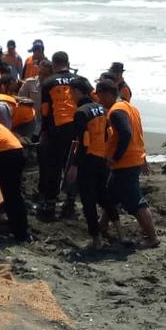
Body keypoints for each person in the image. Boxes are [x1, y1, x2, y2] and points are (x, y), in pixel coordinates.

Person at [95, 79, 159, 248]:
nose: (99, 101)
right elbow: (138, 134)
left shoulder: (116, 112)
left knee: (136, 202)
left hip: (125, 163)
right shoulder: (131, 108)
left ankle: (152, 238)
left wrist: (115, 157)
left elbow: (126, 134)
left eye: (100, 96)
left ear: (107, 94)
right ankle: (101, 226)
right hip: (133, 158)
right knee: (110, 195)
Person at [65, 77, 114, 249]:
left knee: (88, 201)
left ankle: (96, 239)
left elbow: (82, 143)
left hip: (88, 161)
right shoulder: (102, 108)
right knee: (104, 196)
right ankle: (120, 232)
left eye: (71, 92)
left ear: (78, 91)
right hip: (102, 159)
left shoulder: (81, 113)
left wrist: (74, 166)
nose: (70, 96)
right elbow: (108, 135)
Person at [37, 51, 81, 220]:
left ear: (54, 65)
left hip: (57, 129)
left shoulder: (48, 82)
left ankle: (50, 203)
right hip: (78, 127)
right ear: (68, 62)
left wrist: (44, 132)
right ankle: (70, 202)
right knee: (72, 166)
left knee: (54, 166)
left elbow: (45, 111)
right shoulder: (80, 80)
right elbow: (93, 100)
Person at [17, 58, 50, 140]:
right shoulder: (29, 83)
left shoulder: (54, 87)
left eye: (46, 74)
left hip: (47, 128)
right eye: (40, 73)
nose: (42, 77)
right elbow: (19, 102)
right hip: (30, 127)